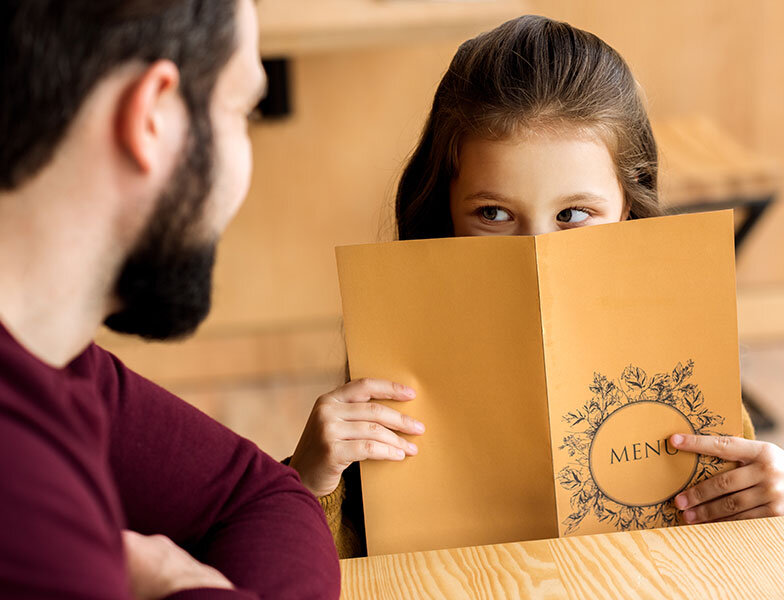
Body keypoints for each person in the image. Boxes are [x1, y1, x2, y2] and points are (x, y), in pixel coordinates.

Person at [288, 14, 784, 559]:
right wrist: (307, 484)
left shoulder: (682, 358)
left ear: (628, 209)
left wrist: (766, 499)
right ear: (444, 213)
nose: (535, 248)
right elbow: (327, 570)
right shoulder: (397, 366)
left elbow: (726, 546)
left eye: (573, 213)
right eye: (494, 213)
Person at [0, 1, 343, 598]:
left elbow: (263, 496)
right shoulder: (13, 487)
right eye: (241, 112)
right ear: (151, 113)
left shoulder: (47, 351)